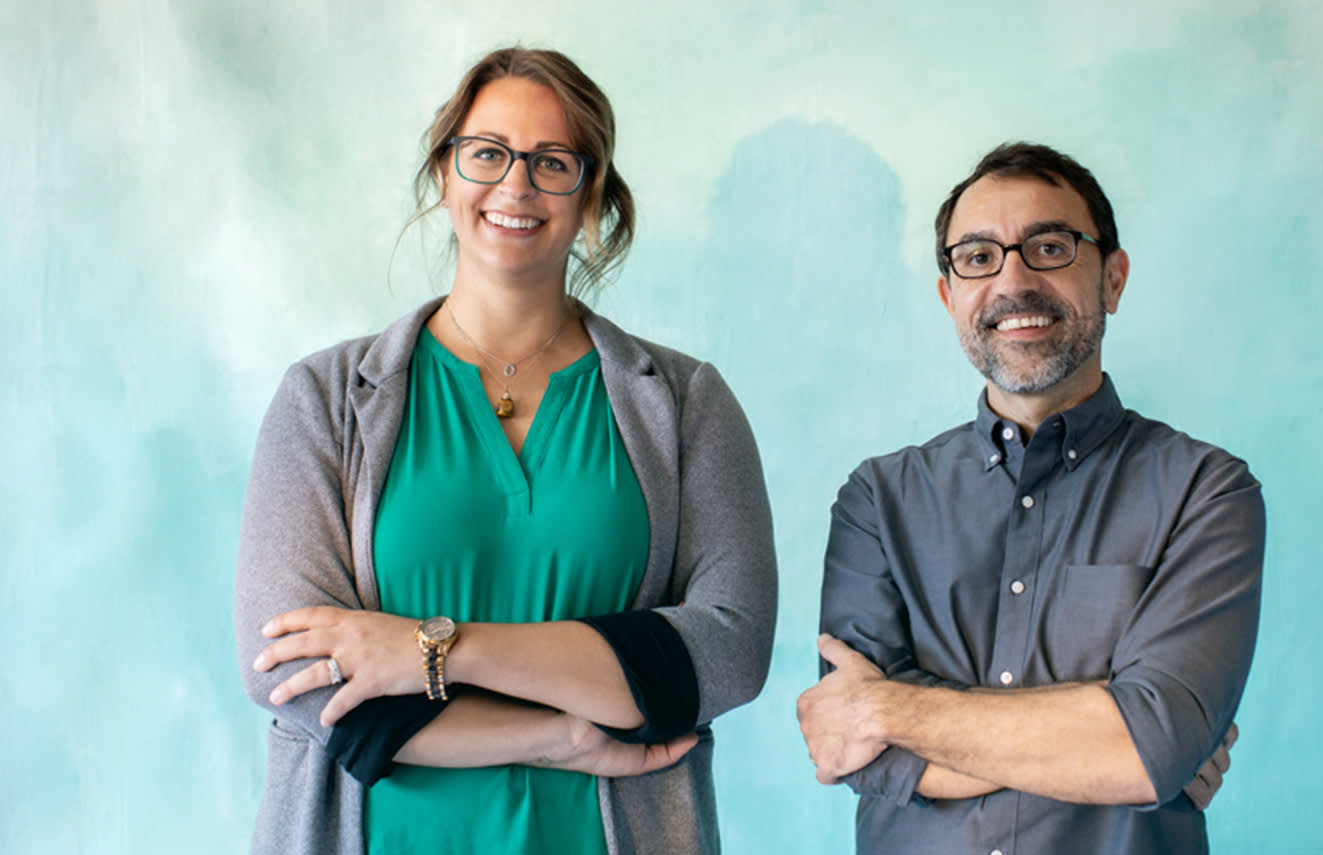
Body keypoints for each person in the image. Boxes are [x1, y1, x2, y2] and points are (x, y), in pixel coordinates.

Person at [234, 47, 776, 855]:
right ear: (444, 175)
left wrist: (428, 649)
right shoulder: (322, 400)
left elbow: (725, 651)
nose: (515, 185)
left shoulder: (688, 404)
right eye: (487, 153)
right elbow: (292, 674)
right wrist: (558, 736)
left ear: (592, 194)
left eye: (552, 162)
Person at [796, 142, 1263, 854]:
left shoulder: (1207, 491)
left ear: (1113, 278)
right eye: (978, 256)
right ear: (949, 294)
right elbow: (851, 745)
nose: (1014, 280)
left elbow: (1148, 748)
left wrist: (886, 706)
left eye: (1048, 246)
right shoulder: (878, 500)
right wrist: (1101, 742)